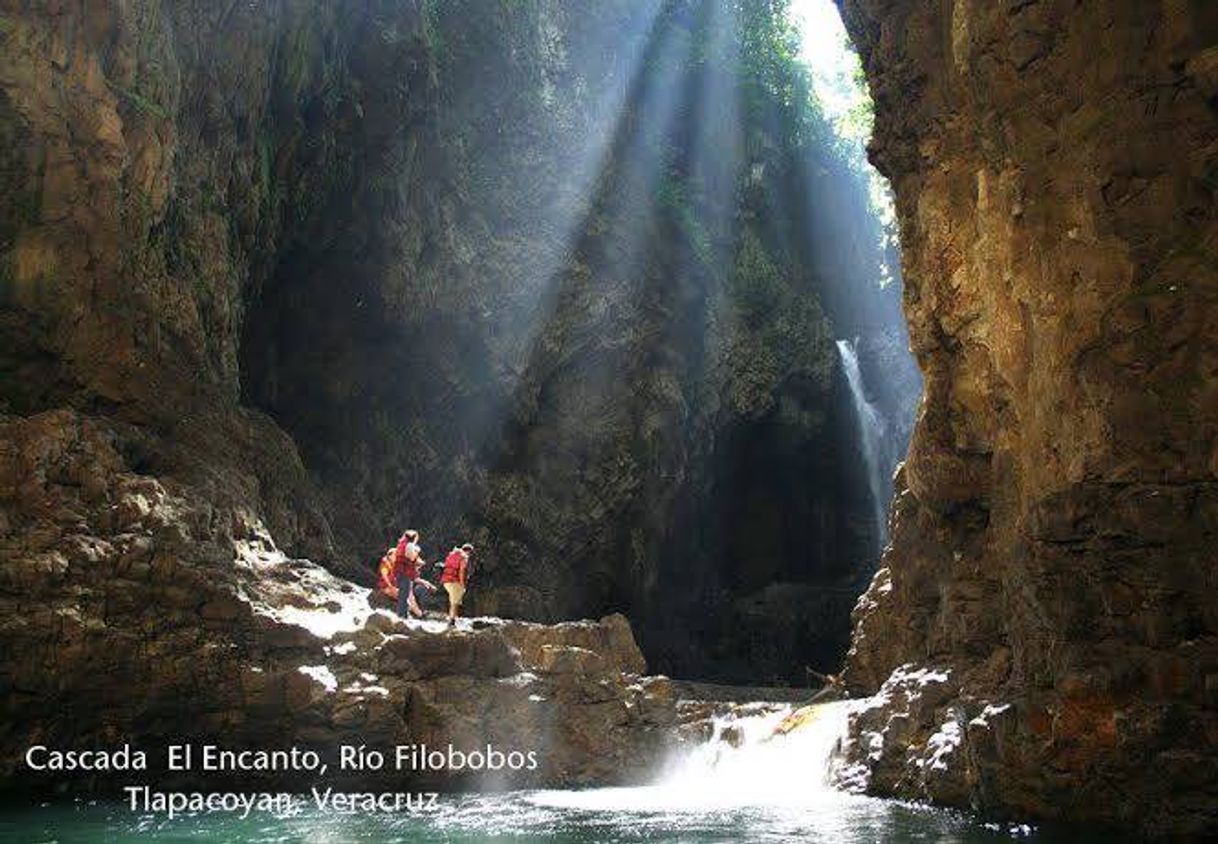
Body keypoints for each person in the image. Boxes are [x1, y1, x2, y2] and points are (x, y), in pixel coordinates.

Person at [391, 530, 436, 619]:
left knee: (403, 594)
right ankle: (402, 615)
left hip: (400, 572)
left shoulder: (402, 544)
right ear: (414, 538)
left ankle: (402, 614)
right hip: (405, 573)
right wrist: (417, 552)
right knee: (404, 595)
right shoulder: (410, 545)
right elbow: (411, 557)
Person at [441, 543, 473, 626]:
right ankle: (451, 621)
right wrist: (462, 583)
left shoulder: (452, 554)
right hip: (454, 582)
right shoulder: (464, 557)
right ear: (468, 551)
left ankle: (453, 618)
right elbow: (461, 571)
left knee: (453, 601)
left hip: (446, 581)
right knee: (454, 603)